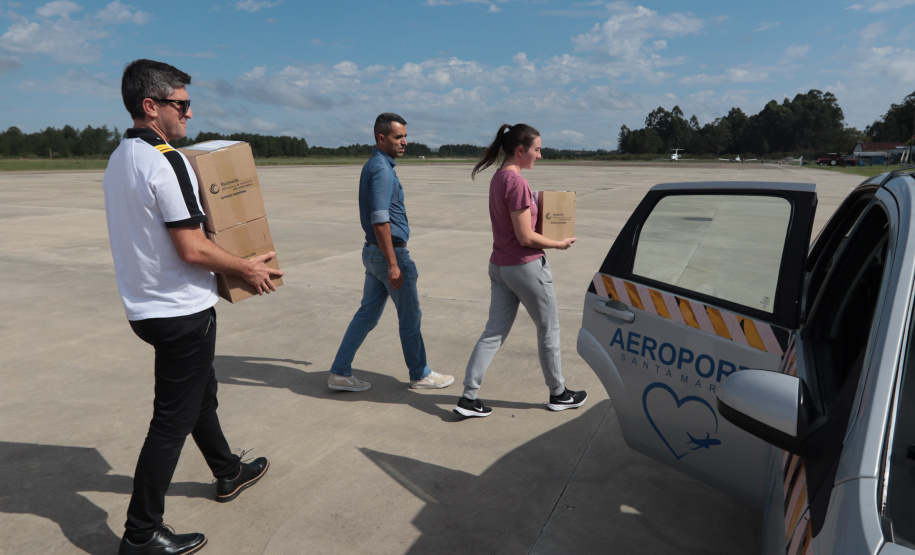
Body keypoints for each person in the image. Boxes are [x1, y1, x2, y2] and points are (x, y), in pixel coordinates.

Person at [103, 59, 282, 555]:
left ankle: (227, 471)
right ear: (150, 106)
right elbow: (193, 247)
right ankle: (141, 533)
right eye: (180, 104)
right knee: (171, 420)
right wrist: (247, 268)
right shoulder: (168, 160)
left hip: (145, 307)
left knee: (201, 393)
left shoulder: (120, 157)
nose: (188, 113)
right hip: (180, 311)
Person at [453, 123, 587, 418]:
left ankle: (468, 396)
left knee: (493, 333)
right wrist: (559, 243)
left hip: (499, 266)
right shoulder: (517, 183)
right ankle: (558, 393)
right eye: (537, 150)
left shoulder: (498, 179)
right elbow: (525, 237)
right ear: (520, 150)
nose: (539, 155)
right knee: (549, 330)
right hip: (524, 268)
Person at [327, 113, 453, 392]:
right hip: (388, 255)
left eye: (405, 136)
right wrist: (393, 263)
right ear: (381, 138)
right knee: (410, 317)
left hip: (373, 254)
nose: (405, 141)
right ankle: (420, 374)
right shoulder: (382, 169)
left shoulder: (375, 164)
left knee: (366, 316)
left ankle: (339, 371)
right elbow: (380, 220)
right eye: (398, 137)